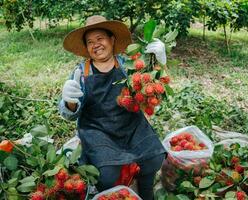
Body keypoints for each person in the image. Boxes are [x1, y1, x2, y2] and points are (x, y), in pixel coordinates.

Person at [59, 15, 167, 200]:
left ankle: (146, 191)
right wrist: (69, 101)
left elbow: (152, 91)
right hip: (97, 129)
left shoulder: (128, 65)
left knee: (154, 158)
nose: (96, 44)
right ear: (86, 47)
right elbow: (69, 114)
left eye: (100, 38)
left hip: (130, 124)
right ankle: (106, 194)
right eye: (90, 42)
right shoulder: (81, 72)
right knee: (107, 175)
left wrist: (158, 64)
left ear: (112, 40)